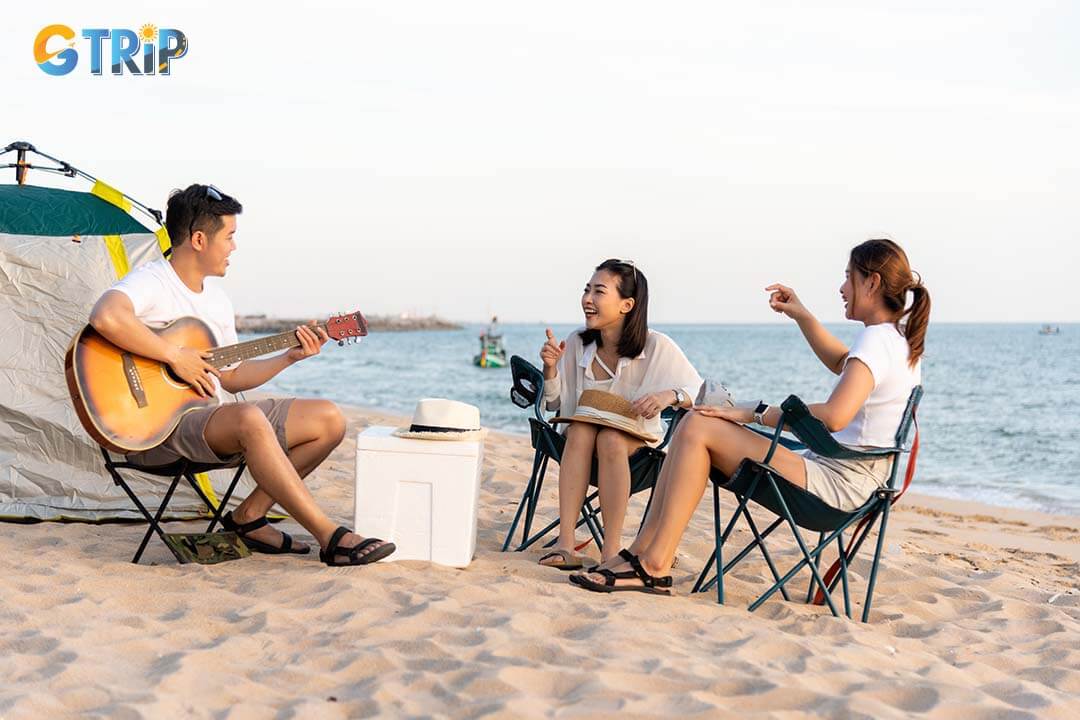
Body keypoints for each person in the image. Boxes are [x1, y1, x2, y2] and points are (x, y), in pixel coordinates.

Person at [572, 239, 930, 594]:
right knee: (692, 422)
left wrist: (752, 413)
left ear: (873, 283)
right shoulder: (894, 339)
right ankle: (639, 555)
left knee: (696, 425)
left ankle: (653, 565)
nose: (841, 288)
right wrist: (803, 316)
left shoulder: (876, 342)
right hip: (853, 478)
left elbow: (835, 416)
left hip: (837, 486)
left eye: (849, 277)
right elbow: (841, 362)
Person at [88, 184, 394, 566]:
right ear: (199, 239)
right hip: (154, 431)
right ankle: (329, 536)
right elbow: (105, 316)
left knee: (328, 419)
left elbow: (231, 377)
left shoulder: (217, 300)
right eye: (229, 236)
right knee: (248, 417)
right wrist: (174, 356)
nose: (234, 247)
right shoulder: (153, 280)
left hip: (206, 422)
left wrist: (289, 357)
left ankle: (248, 517)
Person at [536, 259, 702, 570]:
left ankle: (610, 551)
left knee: (610, 437)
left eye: (599, 292)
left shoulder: (656, 346)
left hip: (636, 449)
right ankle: (566, 544)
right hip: (580, 444)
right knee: (583, 429)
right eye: (587, 290)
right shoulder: (575, 342)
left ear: (627, 305)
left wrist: (671, 395)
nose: (587, 299)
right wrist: (550, 369)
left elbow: (705, 392)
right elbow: (555, 405)